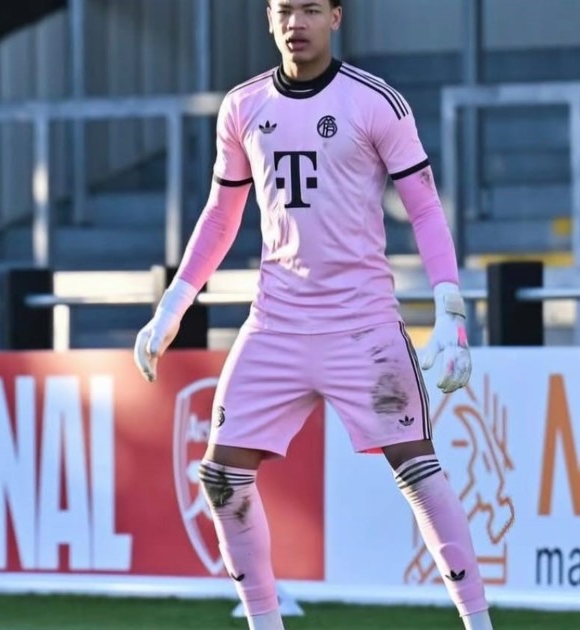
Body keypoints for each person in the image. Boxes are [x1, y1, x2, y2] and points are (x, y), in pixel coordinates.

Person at [131, 1, 493, 629]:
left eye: (309, 9)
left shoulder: (376, 102)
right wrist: (173, 305)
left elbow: (426, 208)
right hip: (276, 325)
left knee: (418, 470)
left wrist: (450, 310)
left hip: (364, 328)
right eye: (283, 9)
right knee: (221, 477)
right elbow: (221, 215)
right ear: (268, 19)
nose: (295, 22)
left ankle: (478, 623)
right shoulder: (243, 106)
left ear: (336, 17)